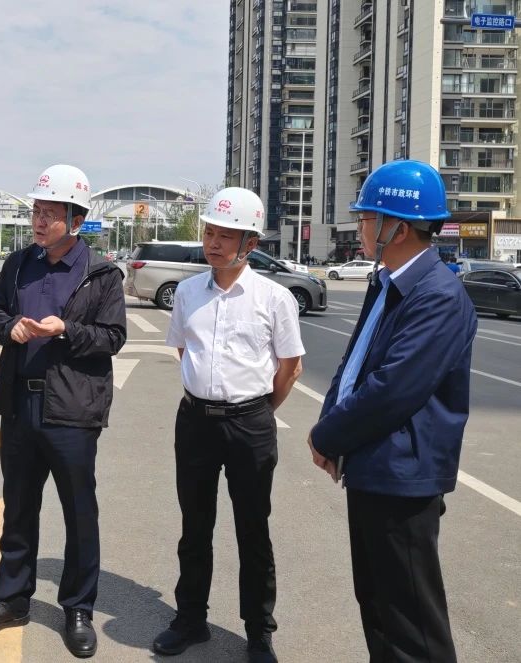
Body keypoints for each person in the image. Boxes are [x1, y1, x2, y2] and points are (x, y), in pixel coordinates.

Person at [307, 160, 476, 662]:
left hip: (403, 480)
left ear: (396, 228)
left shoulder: (438, 295)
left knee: (412, 625)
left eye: (366, 217)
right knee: (378, 607)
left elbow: (391, 390)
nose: (359, 226)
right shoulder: (389, 282)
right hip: (374, 468)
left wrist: (327, 437)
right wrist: (330, 426)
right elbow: (355, 363)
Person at [0, 164, 127, 659]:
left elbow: (113, 337)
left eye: (50, 213)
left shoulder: (100, 273)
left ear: (76, 220)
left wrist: (65, 331)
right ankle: (12, 599)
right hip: (20, 404)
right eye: (36, 210)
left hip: (72, 409)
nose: (38, 220)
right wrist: (8, 327)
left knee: (79, 512)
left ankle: (78, 608)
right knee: (17, 507)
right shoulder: (17, 264)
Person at [152, 187, 303, 663]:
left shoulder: (274, 298)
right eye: (209, 233)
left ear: (250, 244)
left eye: (225, 236)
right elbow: (185, 350)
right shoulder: (188, 293)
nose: (213, 243)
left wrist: (257, 411)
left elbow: (290, 366)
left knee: (252, 529)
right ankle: (190, 619)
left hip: (249, 424)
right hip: (195, 421)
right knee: (194, 526)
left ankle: (259, 631)